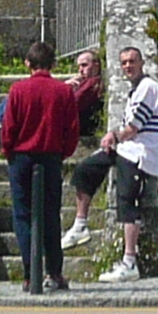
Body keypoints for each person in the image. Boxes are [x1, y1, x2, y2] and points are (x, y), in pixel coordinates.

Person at [0, 38, 77, 293]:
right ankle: (54, 271)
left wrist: (8, 150)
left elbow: (8, 127)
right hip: (51, 156)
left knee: (23, 215)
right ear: (53, 64)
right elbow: (72, 129)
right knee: (51, 215)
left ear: (28, 63)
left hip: (22, 157)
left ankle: (30, 273)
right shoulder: (63, 91)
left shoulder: (18, 90)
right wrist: (63, 152)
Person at [96, 43, 158, 284]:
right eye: (124, 62)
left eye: (132, 61)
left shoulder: (147, 88)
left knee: (127, 202)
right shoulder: (135, 91)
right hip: (130, 150)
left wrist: (113, 136)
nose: (128, 66)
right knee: (87, 169)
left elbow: (133, 128)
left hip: (142, 155)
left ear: (142, 63)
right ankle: (81, 224)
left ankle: (129, 262)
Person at [60, 48, 111, 248]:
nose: (81, 70)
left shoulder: (91, 84)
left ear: (96, 65)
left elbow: (72, 104)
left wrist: (64, 90)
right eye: (79, 66)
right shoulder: (84, 83)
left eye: (85, 65)